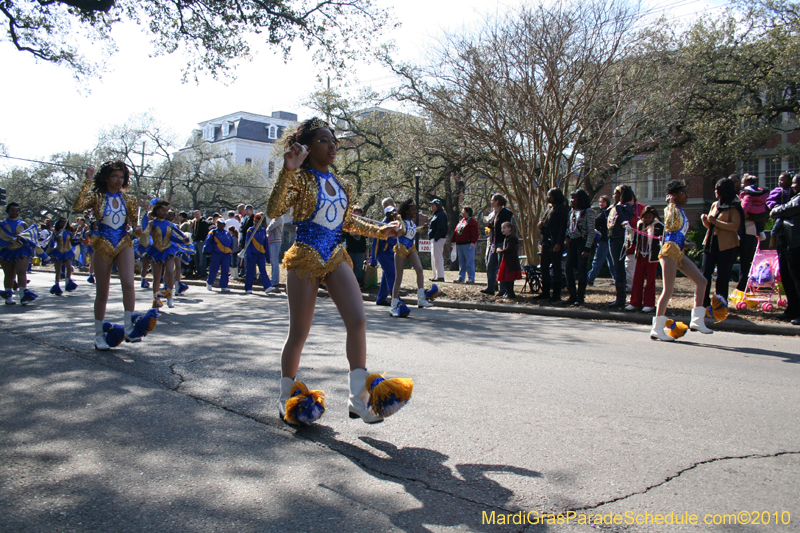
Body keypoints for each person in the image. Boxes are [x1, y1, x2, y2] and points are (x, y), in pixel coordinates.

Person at [266, 117, 410, 426]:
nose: (332, 146)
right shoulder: (300, 179)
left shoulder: (342, 183)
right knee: (299, 333)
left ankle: (359, 399)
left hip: (335, 255)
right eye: (323, 141)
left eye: (334, 140)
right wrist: (287, 170)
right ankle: (285, 398)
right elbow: (274, 210)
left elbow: (348, 223)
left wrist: (382, 229)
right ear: (306, 147)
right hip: (305, 255)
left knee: (358, 320)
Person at [73, 162, 155, 350]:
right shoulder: (97, 197)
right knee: (103, 292)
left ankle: (128, 328)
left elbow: (134, 228)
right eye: (115, 176)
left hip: (123, 242)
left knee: (128, 282)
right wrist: (87, 181)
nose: (119, 180)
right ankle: (98, 334)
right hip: (102, 243)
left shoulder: (129, 200)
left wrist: (137, 230)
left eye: (122, 177)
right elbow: (78, 204)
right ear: (106, 178)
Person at [651, 180, 714, 341]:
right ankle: (657, 328)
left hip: (678, 251)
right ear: (674, 195)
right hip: (669, 251)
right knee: (668, 290)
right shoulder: (670, 209)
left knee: (701, 281)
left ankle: (697, 320)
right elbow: (670, 225)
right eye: (683, 193)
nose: (687, 195)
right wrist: (670, 205)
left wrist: (686, 243)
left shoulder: (680, 211)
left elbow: (676, 232)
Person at [390, 199, 437, 316]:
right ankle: (393, 306)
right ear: (406, 211)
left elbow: (413, 230)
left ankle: (421, 299)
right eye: (413, 210)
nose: (415, 212)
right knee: (398, 278)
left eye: (416, 210)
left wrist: (422, 228)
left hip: (411, 248)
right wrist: (397, 216)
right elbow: (403, 229)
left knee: (420, 270)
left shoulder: (411, 223)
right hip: (401, 249)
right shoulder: (402, 222)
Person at [701, 177, 743, 307]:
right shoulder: (715, 205)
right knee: (705, 274)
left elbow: (735, 226)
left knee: (723, 276)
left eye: (717, 189)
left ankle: (720, 304)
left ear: (724, 190)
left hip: (727, 245)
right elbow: (711, 226)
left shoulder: (734, 207)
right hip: (711, 243)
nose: (715, 192)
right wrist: (705, 220)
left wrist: (716, 222)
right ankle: (704, 302)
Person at [141, 200, 189, 309]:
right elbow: (145, 235)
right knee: (157, 277)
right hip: (156, 250)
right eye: (163, 210)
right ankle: (156, 299)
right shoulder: (152, 223)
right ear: (157, 211)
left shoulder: (169, 224)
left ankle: (170, 297)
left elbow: (173, 236)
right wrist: (142, 241)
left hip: (168, 249)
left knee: (170, 271)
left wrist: (183, 240)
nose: (165, 213)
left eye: (166, 211)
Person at [770, 174, 800, 324]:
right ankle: (792, 309)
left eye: (796, 183)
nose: (793, 186)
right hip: (787, 243)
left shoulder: (798, 199)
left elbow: (787, 209)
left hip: (796, 245)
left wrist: (776, 210)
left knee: (797, 278)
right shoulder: (795, 196)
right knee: (787, 278)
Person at [0, 202, 39, 305]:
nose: (15, 212)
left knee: (21, 271)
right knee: (9, 275)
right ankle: (8, 296)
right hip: (6, 251)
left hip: (21, 250)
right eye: (12, 210)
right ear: (7, 211)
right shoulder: (2, 223)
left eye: (17, 210)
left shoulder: (23, 224)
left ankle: (23, 295)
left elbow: (29, 238)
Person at [626, 206, 663, 312]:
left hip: (652, 257)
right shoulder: (640, 224)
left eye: (650, 217)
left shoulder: (659, 226)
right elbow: (635, 239)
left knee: (650, 280)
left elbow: (665, 239)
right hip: (640, 255)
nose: (647, 220)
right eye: (645, 217)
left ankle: (649, 303)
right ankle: (635, 302)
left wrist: (661, 239)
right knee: (637, 278)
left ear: (654, 216)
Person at [564, 189, 596, 306]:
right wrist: (567, 237)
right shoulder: (571, 212)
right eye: (571, 198)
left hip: (582, 241)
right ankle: (572, 294)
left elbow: (591, 231)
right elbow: (569, 227)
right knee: (568, 268)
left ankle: (580, 296)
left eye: (574, 198)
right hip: (572, 241)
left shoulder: (589, 212)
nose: (571, 200)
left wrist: (587, 248)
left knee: (582, 269)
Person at [538, 188, 568, 302]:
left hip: (555, 242)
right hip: (546, 241)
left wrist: (559, 243)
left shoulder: (562, 209)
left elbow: (562, 227)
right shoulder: (549, 209)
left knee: (556, 268)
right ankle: (545, 292)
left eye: (550, 195)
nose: (547, 197)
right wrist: (541, 227)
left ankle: (556, 294)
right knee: (544, 266)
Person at [607, 185, 635, 307]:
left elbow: (625, 221)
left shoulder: (627, 207)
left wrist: (618, 208)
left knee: (619, 268)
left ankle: (621, 298)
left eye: (616, 193)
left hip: (620, 240)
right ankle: (619, 297)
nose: (614, 195)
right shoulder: (614, 207)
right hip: (612, 238)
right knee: (615, 268)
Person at [481, 194, 513, 295]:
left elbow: (507, 226)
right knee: (490, 265)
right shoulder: (492, 214)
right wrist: (488, 227)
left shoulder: (506, 213)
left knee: (501, 266)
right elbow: (490, 224)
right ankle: (490, 287)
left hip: (502, 242)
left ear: (497, 201)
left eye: (492, 200)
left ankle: (502, 289)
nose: (491, 202)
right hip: (493, 243)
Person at [370, 203, 398, 306]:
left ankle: (381, 299)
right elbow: (375, 244)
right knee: (392, 275)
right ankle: (396, 299)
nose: (394, 213)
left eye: (395, 211)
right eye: (392, 212)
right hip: (384, 255)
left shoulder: (396, 224)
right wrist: (373, 260)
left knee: (386, 276)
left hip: (393, 254)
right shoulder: (381, 226)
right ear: (387, 214)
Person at [243, 213, 275, 294]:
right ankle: (248, 288)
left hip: (261, 255)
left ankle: (267, 286)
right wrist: (248, 255)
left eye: (257, 221)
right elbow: (248, 243)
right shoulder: (250, 230)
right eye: (254, 221)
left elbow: (266, 245)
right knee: (250, 271)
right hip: (253, 254)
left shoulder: (264, 231)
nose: (255, 223)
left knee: (263, 270)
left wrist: (268, 257)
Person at [587, 195, 614, 286]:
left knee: (598, 260)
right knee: (611, 261)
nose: (601, 204)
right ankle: (617, 278)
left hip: (603, 240)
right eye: (600, 202)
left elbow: (596, 222)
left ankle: (590, 278)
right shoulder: (605, 212)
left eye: (603, 202)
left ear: (607, 203)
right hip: (607, 240)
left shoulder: (605, 213)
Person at [47, 218, 78, 295]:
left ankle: (68, 282)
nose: (63, 224)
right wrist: (54, 236)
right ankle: (56, 285)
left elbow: (72, 242)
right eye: (62, 223)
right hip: (58, 251)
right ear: (59, 224)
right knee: (58, 270)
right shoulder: (56, 233)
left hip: (67, 252)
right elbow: (51, 242)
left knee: (69, 267)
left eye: (65, 223)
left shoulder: (69, 233)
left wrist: (79, 241)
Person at [205, 218, 234, 293]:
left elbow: (231, 243)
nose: (220, 225)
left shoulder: (227, 233)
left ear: (224, 225)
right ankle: (210, 283)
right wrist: (212, 250)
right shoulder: (213, 232)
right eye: (218, 223)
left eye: (221, 223)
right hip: (216, 254)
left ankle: (224, 285)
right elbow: (208, 242)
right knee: (214, 269)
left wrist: (230, 250)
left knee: (225, 270)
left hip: (226, 255)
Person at [451, 206, 479, 284]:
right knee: (461, 262)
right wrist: (453, 240)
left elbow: (475, 233)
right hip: (460, 244)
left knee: (469, 261)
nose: (462, 212)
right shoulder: (461, 221)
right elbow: (456, 231)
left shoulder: (472, 222)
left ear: (468, 212)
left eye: (463, 211)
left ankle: (471, 278)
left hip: (468, 244)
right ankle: (461, 277)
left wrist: (473, 242)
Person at [496, 221, 522, 300]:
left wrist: (501, 251)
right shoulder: (507, 237)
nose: (502, 230)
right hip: (507, 259)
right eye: (502, 228)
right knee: (506, 277)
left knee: (509, 277)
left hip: (511, 261)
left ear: (510, 229)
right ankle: (508, 291)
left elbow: (509, 249)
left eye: (504, 228)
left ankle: (511, 292)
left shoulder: (511, 238)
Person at [344, 206, 368, 287]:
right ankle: (349, 283)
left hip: (360, 249)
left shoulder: (363, 224)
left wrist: (361, 233)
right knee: (350, 266)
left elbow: (367, 235)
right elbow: (343, 234)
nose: (357, 215)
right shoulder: (348, 223)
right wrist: (349, 233)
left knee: (358, 266)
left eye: (359, 213)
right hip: (350, 248)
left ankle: (358, 283)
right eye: (356, 213)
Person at [427, 199, 448, 282]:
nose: (431, 206)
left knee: (438, 257)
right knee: (434, 258)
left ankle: (440, 276)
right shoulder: (436, 214)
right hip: (435, 239)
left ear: (437, 205)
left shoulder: (441, 215)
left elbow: (441, 228)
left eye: (433, 204)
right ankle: (435, 275)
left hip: (438, 239)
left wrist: (436, 237)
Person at [266, 213, 284, 287]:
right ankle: (273, 279)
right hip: (271, 241)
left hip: (276, 241)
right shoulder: (274, 218)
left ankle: (275, 280)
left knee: (274, 261)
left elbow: (270, 227)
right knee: (272, 261)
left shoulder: (279, 218)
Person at [191, 209, 210, 278]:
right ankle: (198, 272)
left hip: (201, 242)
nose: (197, 215)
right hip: (195, 242)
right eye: (195, 214)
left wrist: (202, 239)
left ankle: (203, 272)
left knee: (202, 258)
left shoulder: (204, 222)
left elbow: (206, 232)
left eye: (198, 214)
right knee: (196, 258)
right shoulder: (195, 222)